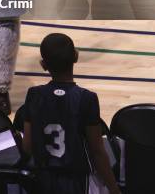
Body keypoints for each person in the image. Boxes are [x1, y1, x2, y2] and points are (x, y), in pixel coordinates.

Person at [16, 33, 121, 194]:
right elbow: (97, 152)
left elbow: (28, 147)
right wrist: (114, 189)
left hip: (41, 181)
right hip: (77, 182)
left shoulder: (34, 95)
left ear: (43, 65)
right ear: (76, 57)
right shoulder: (87, 98)